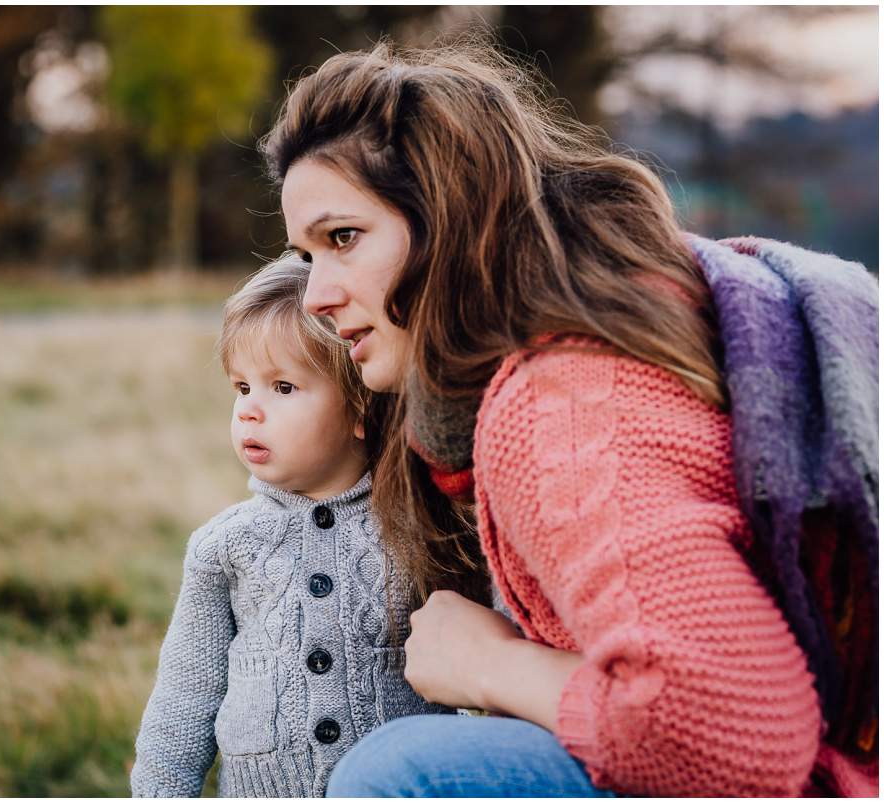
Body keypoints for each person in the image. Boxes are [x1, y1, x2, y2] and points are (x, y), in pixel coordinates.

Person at [261, 42, 878, 797]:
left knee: (398, 774)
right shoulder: (621, 315)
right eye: (305, 254)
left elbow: (739, 738)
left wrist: (490, 665)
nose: (316, 295)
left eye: (343, 239)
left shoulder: (560, 403)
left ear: (450, 222)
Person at [129, 253, 447, 798]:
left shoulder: (419, 531)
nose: (249, 410)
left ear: (358, 408)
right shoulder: (224, 547)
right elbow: (184, 699)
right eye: (241, 387)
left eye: (281, 388)